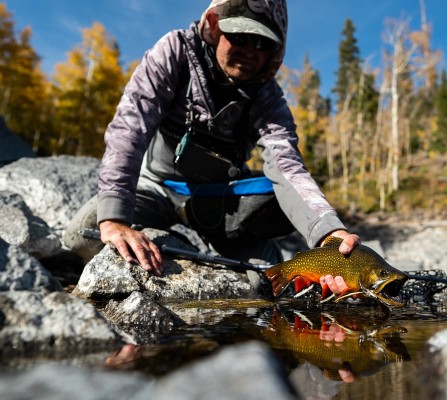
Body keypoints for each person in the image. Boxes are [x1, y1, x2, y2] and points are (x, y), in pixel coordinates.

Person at [63, 0, 359, 297]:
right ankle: (177, 239)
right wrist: (114, 219)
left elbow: (288, 167)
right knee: (80, 235)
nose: (249, 50)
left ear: (275, 50)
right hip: (154, 188)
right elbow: (130, 127)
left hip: (220, 205)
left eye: (263, 43)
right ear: (215, 27)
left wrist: (330, 234)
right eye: (240, 37)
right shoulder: (176, 52)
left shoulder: (269, 99)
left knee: (266, 284)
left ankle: (255, 252)